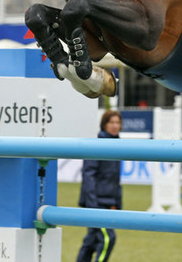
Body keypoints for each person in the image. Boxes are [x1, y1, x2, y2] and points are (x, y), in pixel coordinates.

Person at [76, 110, 123, 262]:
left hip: (109, 203)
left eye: (118, 122)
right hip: (97, 203)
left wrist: (117, 203)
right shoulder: (97, 143)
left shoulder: (118, 145)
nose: (115, 126)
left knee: (91, 241)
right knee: (108, 238)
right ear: (104, 124)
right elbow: (88, 175)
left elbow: (114, 179)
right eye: (112, 122)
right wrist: (92, 204)